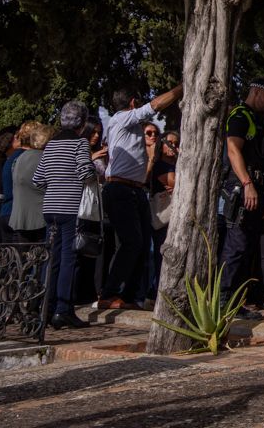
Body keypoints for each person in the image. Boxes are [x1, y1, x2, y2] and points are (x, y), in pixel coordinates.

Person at [100, 81, 183, 310]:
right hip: (120, 189)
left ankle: (129, 295)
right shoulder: (121, 118)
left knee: (143, 243)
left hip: (136, 190)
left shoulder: (130, 128)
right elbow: (155, 106)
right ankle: (110, 293)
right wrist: (181, 88)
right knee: (131, 241)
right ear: (133, 102)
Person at [33, 101, 97, 329]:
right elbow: (85, 172)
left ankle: (45, 308)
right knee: (69, 259)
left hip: (50, 208)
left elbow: (38, 180)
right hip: (70, 208)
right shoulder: (80, 143)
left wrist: (56, 183)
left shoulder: (50, 145)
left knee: (52, 259)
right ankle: (63, 310)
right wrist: (93, 173)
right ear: (82, 123)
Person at [220, 79, 264, 319]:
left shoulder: (256, 119)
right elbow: (233, 149)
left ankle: (236, 302)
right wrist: (246, 183)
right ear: (255, 91)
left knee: (248, 248)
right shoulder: (240, 115)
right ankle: (223, 302)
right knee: (237, 245)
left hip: (255, 190)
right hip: (241, 188)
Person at [9, 122, 53, 243]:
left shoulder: (18, 158)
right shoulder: (45, 158)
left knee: (23, 254)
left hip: (20, 217)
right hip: (41, 219)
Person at [148, 130, 178, 303]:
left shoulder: (176, 165)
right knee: (160, 256)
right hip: (162, 217)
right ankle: (153, 293)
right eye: (170, 143)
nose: (173, 147)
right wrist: (176, 183)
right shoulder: (160, 165)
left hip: (173, 218)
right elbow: (175, 182)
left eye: (176, 144)